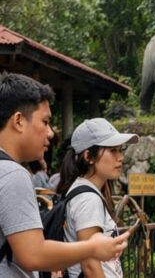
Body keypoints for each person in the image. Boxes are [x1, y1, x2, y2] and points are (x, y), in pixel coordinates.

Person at [0, 72, 129, 277]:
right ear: (19, 121)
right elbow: (33, 255)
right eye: (45, 122)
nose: (50, 132)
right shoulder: (11, 175)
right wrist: (92, 248)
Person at [57, 118, 139, 278]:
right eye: (113, 150)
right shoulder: (88, 198)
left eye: (120, 150)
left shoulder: (85, 191)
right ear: (89, 156)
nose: (120, 157)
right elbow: (90, 266)